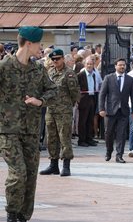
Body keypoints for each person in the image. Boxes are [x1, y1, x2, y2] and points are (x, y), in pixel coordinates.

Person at [0, 26, 57, 222]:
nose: (41, 47)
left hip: (31, 131)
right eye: (39, 43)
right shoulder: (4, 67)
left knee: (31, 176)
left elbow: (53, 90)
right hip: (8, 131)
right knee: (18, 174)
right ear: (29, 43)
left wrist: (40, 101)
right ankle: (12, 213)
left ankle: (23, 216)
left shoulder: (38, 69)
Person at [39, 48, 80, 177]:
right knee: (51, 138)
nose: (55, 61)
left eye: (57, 59)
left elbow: (75, 93)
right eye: (53, 59)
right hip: (51, 110)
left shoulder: (69, 74)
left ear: (63, 59)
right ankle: (53, 165)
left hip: (64, 111)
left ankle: (66, 166)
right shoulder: (50, 72)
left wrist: (69, 105)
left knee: (64, 138)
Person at [99, 58, 133, 163]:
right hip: (110, 111)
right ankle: (108, 151)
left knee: (122, 134)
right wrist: (101, 108)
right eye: (120, 65)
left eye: (124, 65)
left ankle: (119, 155)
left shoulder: (129, 79)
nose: (122, 67)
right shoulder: (108, 78)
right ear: (115, 66)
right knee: (109, 133)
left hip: (124, 111)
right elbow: (102, 94)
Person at [77, 56, 98, 147]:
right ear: (84, 65)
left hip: (91, 98)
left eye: (91, 64)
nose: (89, 66)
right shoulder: (80, 75)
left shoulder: (94, 74)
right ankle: (81, 140)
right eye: (88, 64)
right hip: (83, 100)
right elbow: (76, 88)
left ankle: (89, 138)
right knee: (83, 121)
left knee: (90, 120)